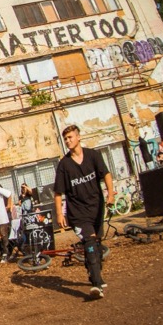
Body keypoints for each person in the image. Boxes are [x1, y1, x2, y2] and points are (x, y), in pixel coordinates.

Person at [52, 124, 115, 299]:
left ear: (78, 137)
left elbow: (106, 174)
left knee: (96, 244)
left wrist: (110, 194)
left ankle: (93, 272)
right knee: (90, 241)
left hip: (96, 208)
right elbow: (58, 192)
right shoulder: (64, 165)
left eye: (70, 137)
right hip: (78, 213)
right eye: (65, 139)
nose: (67, 141)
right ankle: (96, 285)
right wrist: (59, 214)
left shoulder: (93, 155)